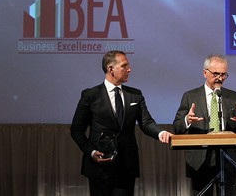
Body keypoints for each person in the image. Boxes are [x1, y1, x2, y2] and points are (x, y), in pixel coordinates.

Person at [70, 50, 173, 196]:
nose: (129, 69)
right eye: (124, 66)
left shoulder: (135, 95)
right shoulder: (91, 95)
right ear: (111, 69)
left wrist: (160, 132)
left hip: (126, 166)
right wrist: (91, 152)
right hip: (99, 166)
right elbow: (76, 130)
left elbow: (146, 122)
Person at [173, 54, 236, 196]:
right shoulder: (190, 96)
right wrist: (187, 120)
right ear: (205, 73)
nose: (220, 78)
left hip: (228, 160)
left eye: (223, 74)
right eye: (216, 74)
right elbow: (177, 127)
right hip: (200, 161)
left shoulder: (234, 97)